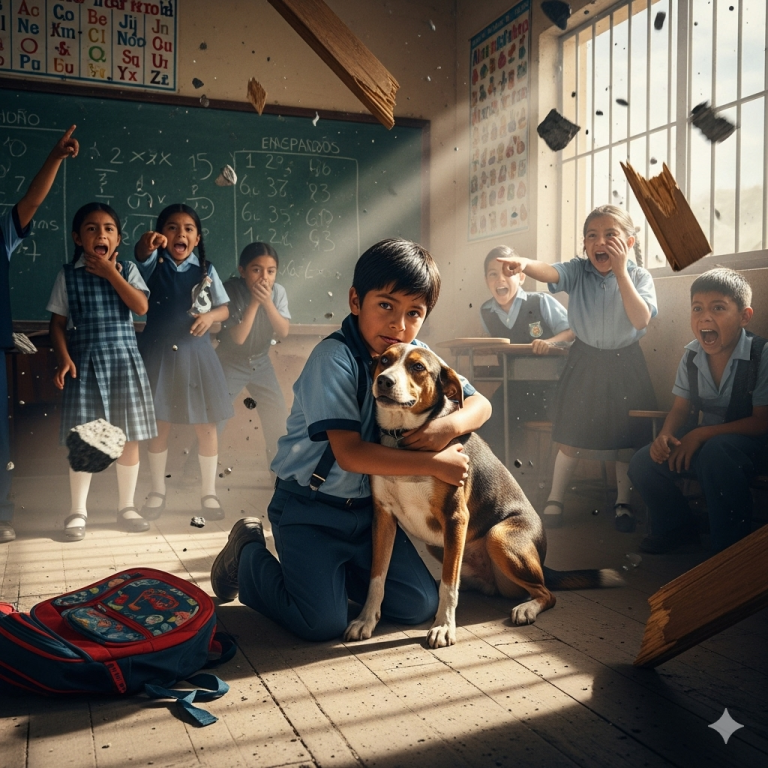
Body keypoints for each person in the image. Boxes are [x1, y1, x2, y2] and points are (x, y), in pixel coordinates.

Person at [210, 239, 492, 642]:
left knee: (418, 605)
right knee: (320, 623)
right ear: (356, 301)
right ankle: (246, 553)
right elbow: (350, 454)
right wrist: (433, 463)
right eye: (386, 306)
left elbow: (480, 404)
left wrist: (447, 428)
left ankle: (331, 577)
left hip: (368, 515)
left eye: (414, 313)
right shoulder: (333, 359)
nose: (398, 325)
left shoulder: (416, 355)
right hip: (310, 508)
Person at [497, 205, 657, 531]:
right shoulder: (578, 270)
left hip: (625, 363)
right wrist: (524, 263)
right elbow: (550, 272)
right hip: (584, 360)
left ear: (628, 242)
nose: (601, 242)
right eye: (592, 236)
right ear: (584, 244)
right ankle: (556, 497)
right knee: (570, 432)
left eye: (610, 235)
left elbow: (641, 319)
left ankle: (623, 502)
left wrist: (621, 272)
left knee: (626, 438)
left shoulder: (640, 276)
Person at [629, 268, 768, 554]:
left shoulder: (761, 354)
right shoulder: (692, 355)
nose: (705, 317)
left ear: (744, 316)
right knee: (643, 462)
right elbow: (680, 409)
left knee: (717, 453)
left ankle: (729, 550)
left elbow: (761, 422)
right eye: (697, 308)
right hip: (709, 446)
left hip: (754, 446)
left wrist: (701, 435)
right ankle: (678, 528)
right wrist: (665, 436)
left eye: (718, 308)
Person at [48, 203, 157, 539]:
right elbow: (57, 324)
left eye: (109, 229)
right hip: (86, 364)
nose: (101, 234)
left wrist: (112, 273)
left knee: (129, 438)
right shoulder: (68, 275)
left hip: (124, 363)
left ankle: (126, 507)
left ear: (118, 239)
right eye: (92, 228)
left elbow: (141, 306)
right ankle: (78, 511)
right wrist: (64, 358)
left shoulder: (127, 269)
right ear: (77, 238)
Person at [0, 126, 79, 544]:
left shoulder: (1, 235)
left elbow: (31, 201)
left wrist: (54, 158)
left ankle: (1, 513)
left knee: (0, 441)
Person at [134, 204, 232, 521]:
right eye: (172, 227)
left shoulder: (206, 269)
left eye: (189, 229)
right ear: (161, 235)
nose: (181, 233)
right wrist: (147, 245)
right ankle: (157, 491)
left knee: (207, 426)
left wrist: (211, 316)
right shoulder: (152, 263)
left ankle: (209, 493)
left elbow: (224, 309)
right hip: (157, 354)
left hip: (197, 355)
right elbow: (141, 253)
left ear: (197, 238)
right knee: (158, 424)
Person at [477, 245, 573, 460]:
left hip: (550, 386)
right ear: (486, 280)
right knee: (490, 419)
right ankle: (505, 471)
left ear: (521, 277)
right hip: (513, 388)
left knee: (561, 426)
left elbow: (571, 331)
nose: (500, 279)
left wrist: (549, 343)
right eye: (493, 274)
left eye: (508, 273)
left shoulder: (540, 301)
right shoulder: (485, 312)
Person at [216, 242, 290, 473]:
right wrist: (255, 302)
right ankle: (194, 475)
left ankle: (278, 474)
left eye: (271, 271)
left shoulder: (278, 292)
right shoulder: (230, 290)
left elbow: (283, 331)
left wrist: (267, 302)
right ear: (242, 271)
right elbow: (238, 338)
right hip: (230, 361)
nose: (264, 277)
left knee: (277, 415)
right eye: (256, 270)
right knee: (216, 418)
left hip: (260, 362)